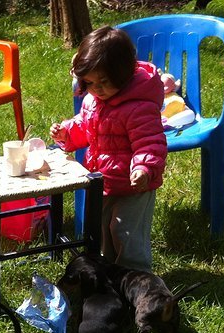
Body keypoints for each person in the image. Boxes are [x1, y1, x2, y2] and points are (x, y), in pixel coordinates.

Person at [50, 26, 167, 272]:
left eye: (104, 81)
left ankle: (138, 281)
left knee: (126, 234)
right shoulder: (93, 100)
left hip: (134, 185)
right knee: (103, 232)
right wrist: (67, 133)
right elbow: (85, 126)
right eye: (90, 83)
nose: (97, 89)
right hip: (104, 181)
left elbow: (150, 142)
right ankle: (112, 277)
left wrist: (144, 168)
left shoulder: (139, 106)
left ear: (122, 73)